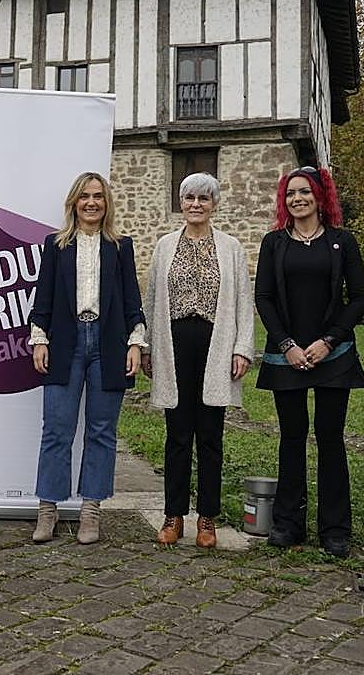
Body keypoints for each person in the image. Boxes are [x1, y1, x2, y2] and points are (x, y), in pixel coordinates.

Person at [254, 166, 364, 557]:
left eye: (304, 192)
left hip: (332, 354)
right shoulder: (274, 243)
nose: (297, 199)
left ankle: (335, 528)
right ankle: (288, 523)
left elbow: (359, 297)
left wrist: (328, 340)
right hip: (286, 354)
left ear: (321, 197)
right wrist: (287, 345)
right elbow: (264, 298)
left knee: (331, 439)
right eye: (290, 194)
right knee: (291, 438)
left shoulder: (342, 241)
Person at [28, 172, 146, 545]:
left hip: (108, 344)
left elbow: (131, 301)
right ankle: (48, 510)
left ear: (106, 203)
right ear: (74, 203)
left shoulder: (120, 246)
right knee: (56, 430)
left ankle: (91, 511)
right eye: (84, 197)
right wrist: (39, 339)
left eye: (98, 196)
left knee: (101, 432)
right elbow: (43, 298)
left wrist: (135, 343)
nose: (92, 202)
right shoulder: (56, 245)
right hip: (66, 342)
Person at [143, 172, 253, 549]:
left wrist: (241, 348)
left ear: (214, 205)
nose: (195, 205)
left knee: (210, 435)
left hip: (215, 343)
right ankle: (173, 516)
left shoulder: (231, 247)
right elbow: (152, 300)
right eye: (189, 198)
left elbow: (242, 301)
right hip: (174, 344)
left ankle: (207, 518)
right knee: (177, 434)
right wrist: (147, 348)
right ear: (181, 202)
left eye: (204, 199)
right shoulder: (163, 246)